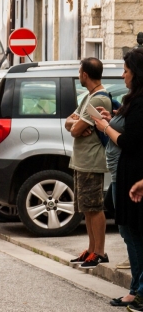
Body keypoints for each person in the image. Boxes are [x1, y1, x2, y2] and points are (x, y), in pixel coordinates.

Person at [92, 49, 143, 312]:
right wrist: (112, 120)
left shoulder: (140, 102)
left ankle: (139, 292)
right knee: (129, 232)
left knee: (134, 233)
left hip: (134, 175)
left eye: (125, 70)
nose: (122, 74)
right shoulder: (132, 100)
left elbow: (128, 141)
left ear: (137, 72)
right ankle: (136, 290)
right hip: (128, 173)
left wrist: (105, 128)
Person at [65, 58, 112, 269]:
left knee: (94, 207)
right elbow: (69, 122)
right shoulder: (88, 97)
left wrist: (76, 125)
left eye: (79, 71)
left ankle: (100, 252)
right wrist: (76, 124)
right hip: (82, 161)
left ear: (85, 74)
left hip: (92, 160)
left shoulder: (99, 99)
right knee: (86, 207)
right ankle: (91, 249)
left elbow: (74, 129)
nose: (78, 75)